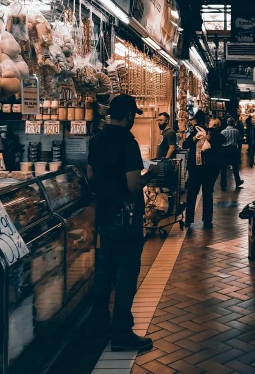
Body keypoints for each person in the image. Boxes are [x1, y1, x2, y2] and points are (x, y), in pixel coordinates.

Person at [87, 94, 160, 351]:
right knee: (127, 272)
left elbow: (91, 176)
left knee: (105, 268)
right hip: (126, 215)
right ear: (130, 115)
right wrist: (150, 174)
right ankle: (121, 332)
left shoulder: (96, 140)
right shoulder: (128, 142)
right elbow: (132, 184)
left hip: (104, 213)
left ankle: (99, 326)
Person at [183, 111, 223, 228]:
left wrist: (210, 138)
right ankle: (190, 219)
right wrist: (195, 138)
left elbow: (222, 139)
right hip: (196, 169)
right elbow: (185, 145)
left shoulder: (212, 132)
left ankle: (206, 220)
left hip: (207, 169)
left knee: (204, 193)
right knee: (194, 193)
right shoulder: (193, 134)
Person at [220, 117, 244, 191]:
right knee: (235, 167)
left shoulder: (223, 132)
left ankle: (223, 184)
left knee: (223, 168)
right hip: (233, 150)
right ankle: (237, 181)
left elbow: (221, 142)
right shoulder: (236, 131)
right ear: (234, 123)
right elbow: (239, 139)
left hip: (224, 150)